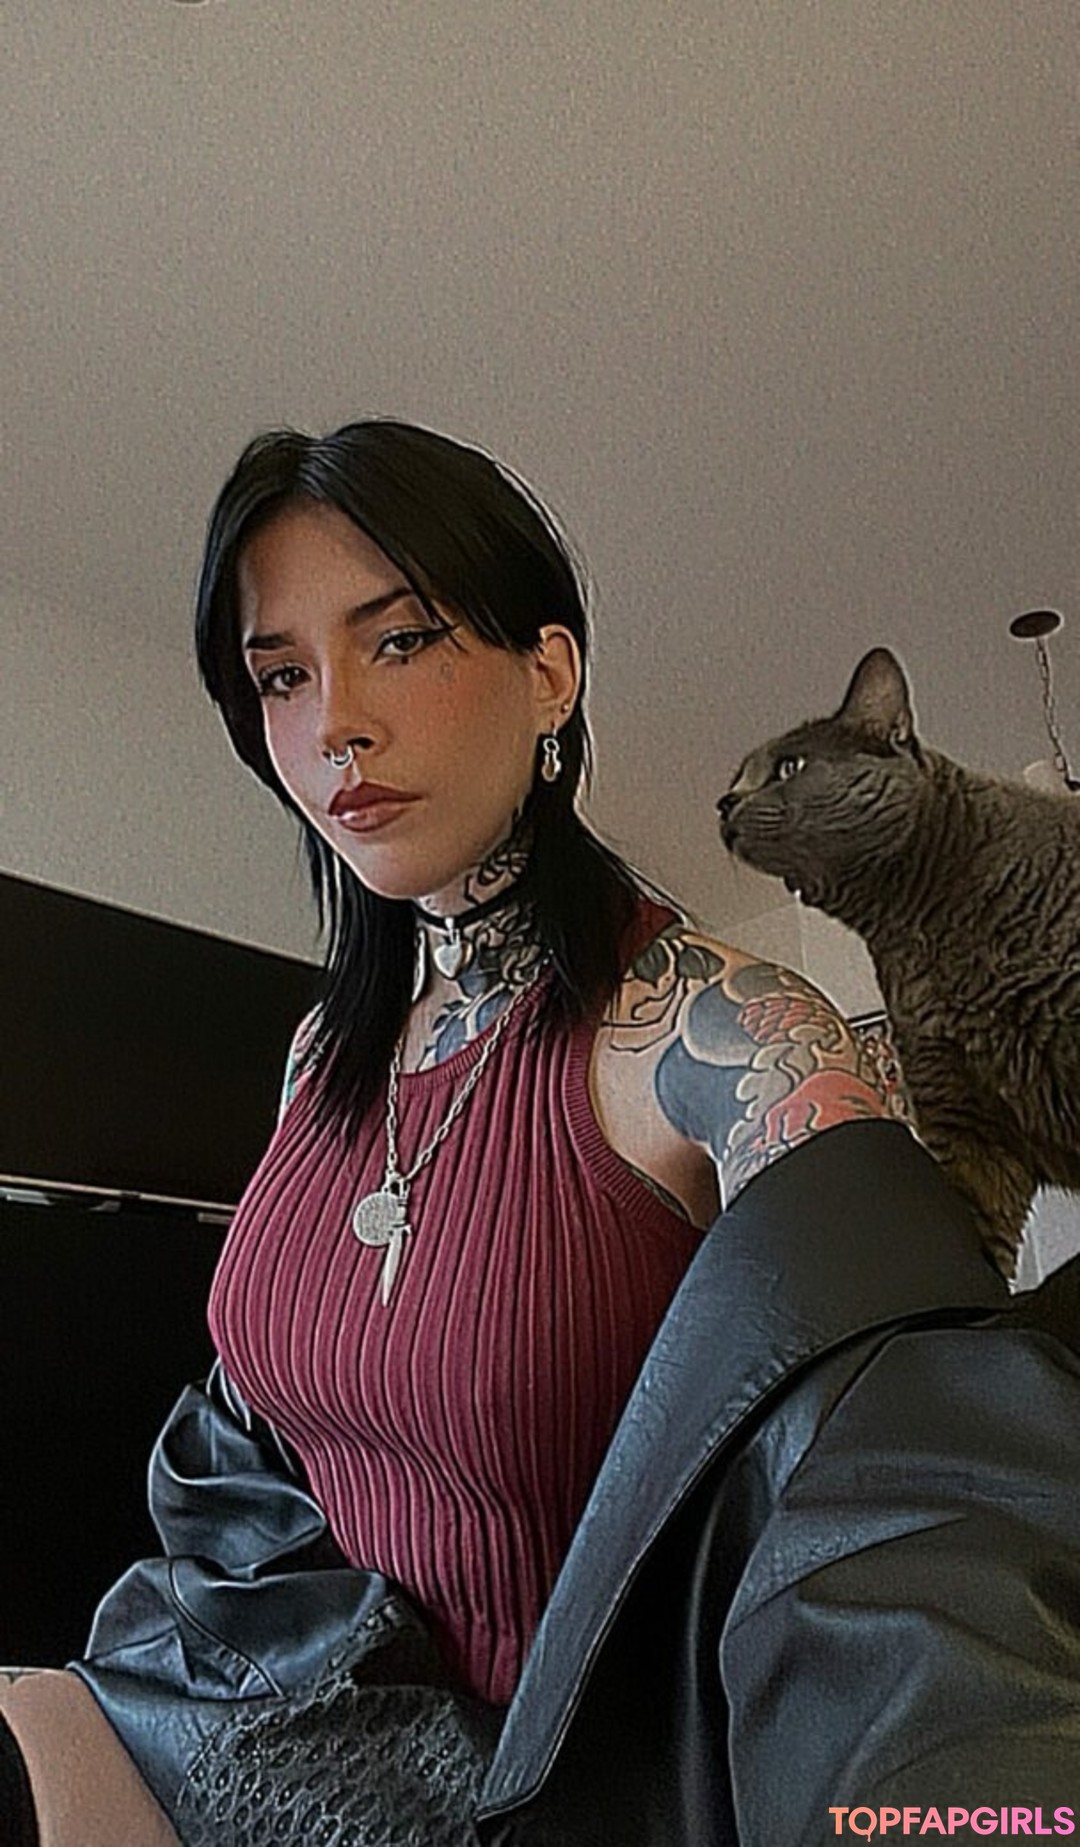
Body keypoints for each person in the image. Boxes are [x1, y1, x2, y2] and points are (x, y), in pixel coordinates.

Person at [3, 419, 1079, 1847]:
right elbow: (260, 1436)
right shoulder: (319, 1058)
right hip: (259, 1710)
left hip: (551, 1797)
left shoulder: (724, 1030)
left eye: (399, 641)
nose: (334, 724)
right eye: (282, 675)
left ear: (550, 672)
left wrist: (966, 1803)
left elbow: (920, 1482)